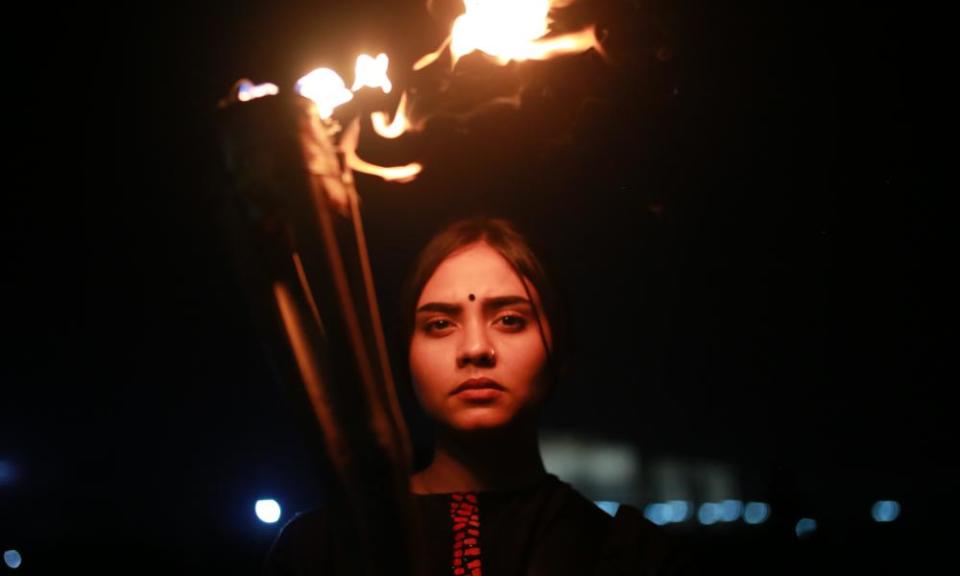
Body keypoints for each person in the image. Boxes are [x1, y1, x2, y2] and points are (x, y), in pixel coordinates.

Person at [264, 217, 696, 576]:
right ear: (404, 356)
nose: (475, 348)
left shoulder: (630, 556)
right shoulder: (320, 551)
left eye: (509, 320)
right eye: (439, 324)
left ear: (560, 348)